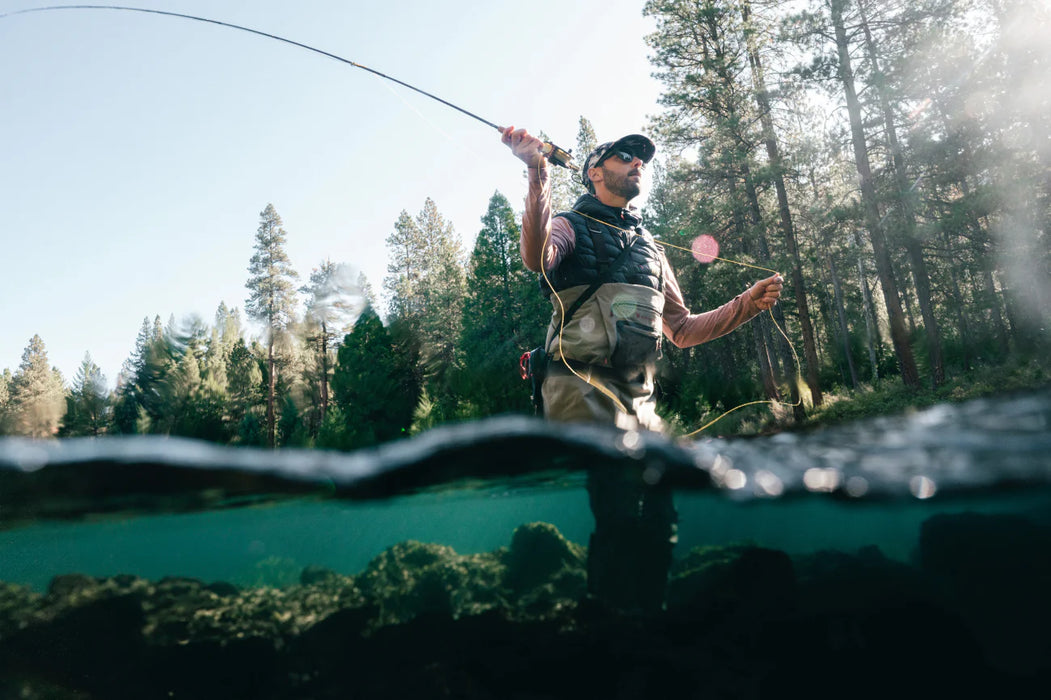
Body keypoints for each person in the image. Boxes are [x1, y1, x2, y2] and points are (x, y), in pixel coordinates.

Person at [502, 126, 783, 614]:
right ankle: (610, 626)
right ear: (595, 172)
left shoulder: (652, 249)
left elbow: (683, 328)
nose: (638, 163)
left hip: (638, 402)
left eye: (643, 159)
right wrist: (536, 171)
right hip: (579, 392)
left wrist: (747, 305)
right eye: (626, 155)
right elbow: (535, 257)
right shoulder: (569, 225)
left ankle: (646, 616)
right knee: (619, 509)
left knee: (660, 510)